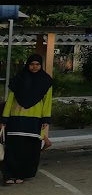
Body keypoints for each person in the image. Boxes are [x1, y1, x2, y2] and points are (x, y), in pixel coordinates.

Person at [1, 54, 53, 184]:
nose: (34, 67)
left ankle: (22, 174)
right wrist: (4, 119)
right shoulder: (18, 79)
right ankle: (9, 174)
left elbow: (47, 101)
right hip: (16, 118)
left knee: (29, 149)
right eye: (32, 64)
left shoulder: (46, 81)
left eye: (37, 64)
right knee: (13, 148)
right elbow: (10, 101)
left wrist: (45, 119)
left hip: (35, 119)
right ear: (27, 65)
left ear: (41, 65)